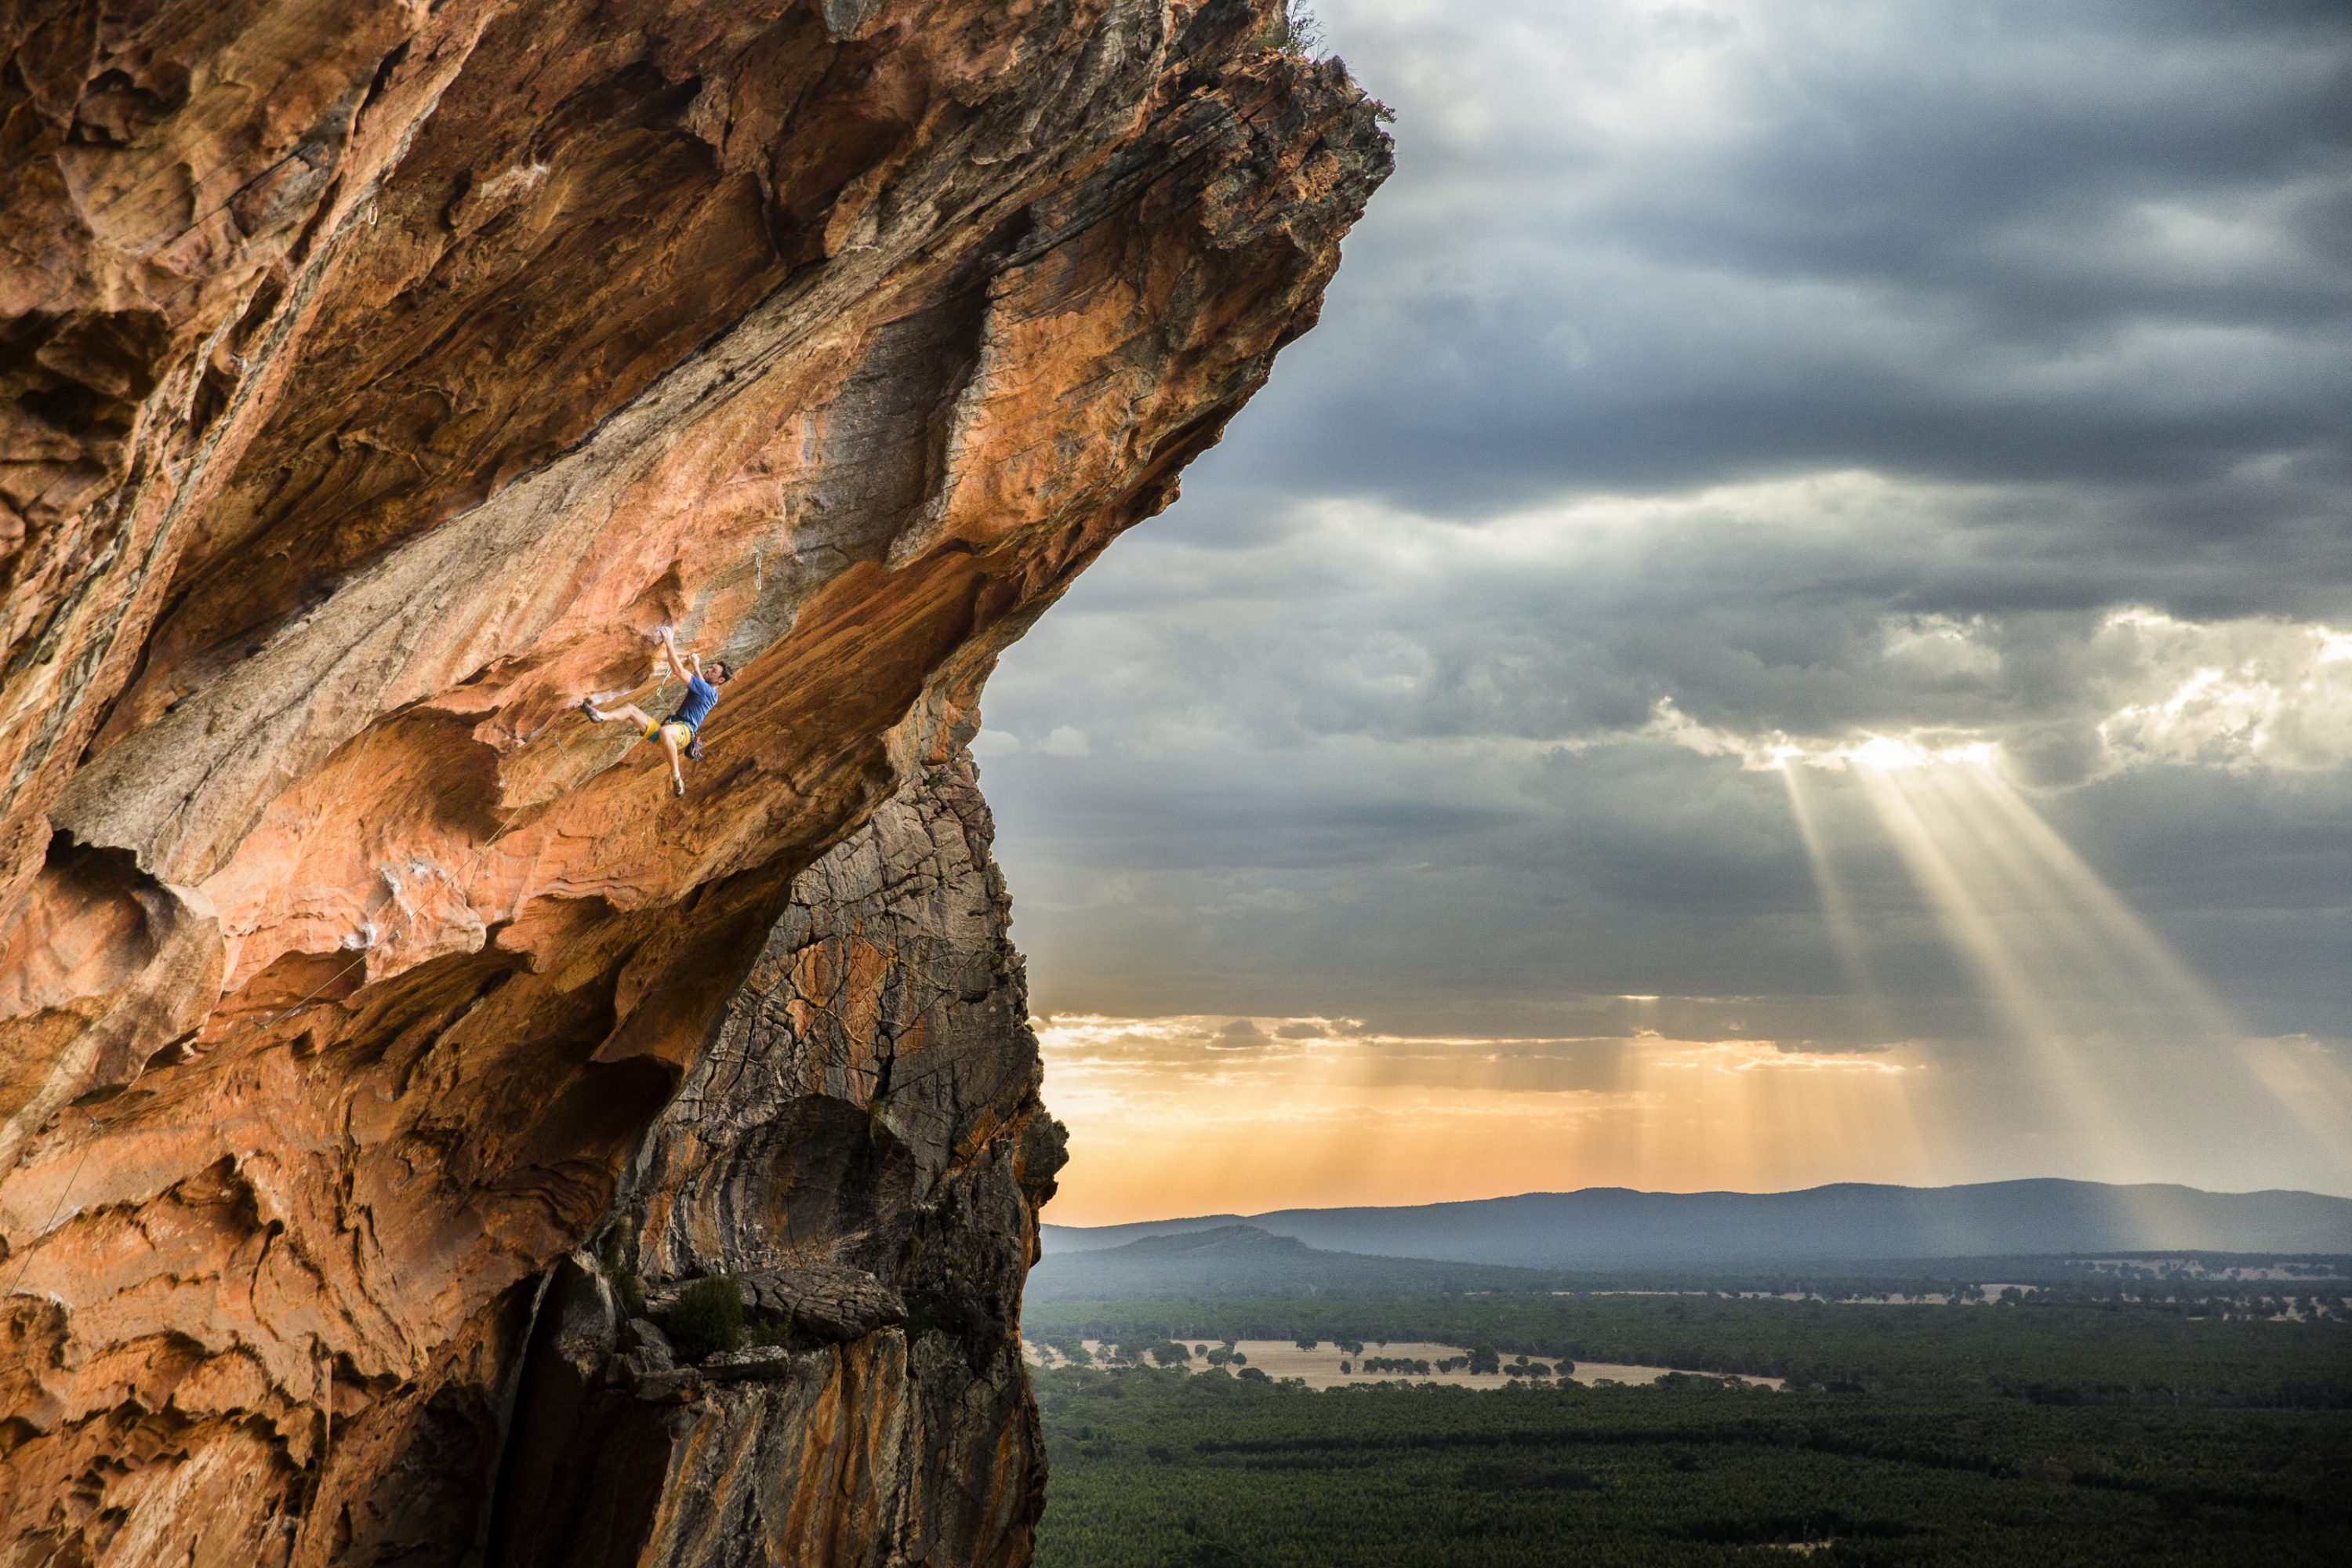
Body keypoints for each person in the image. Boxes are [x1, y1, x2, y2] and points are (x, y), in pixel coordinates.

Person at [579, 627, 731, 796]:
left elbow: (679, 671)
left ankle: (676, 777)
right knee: (630, 709)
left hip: (683, 732)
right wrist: (696, 666)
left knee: (666, 732)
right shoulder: (710, 694)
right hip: (668, 732)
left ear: (721, 680)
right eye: (710, 667)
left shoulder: (708, 692)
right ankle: (600, 716)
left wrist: (669, 641)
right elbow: (701, 683)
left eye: (714, 671)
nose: (709, 670)